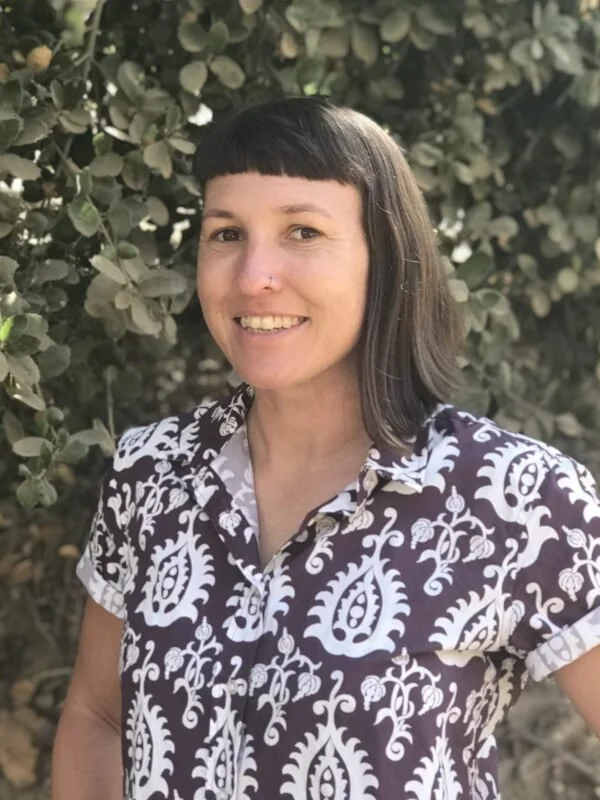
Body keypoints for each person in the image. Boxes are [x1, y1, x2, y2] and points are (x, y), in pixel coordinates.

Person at [52, 96, 600, 800]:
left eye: (303, 231)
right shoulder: (149, 474)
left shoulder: (515, 496)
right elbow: (98, 717)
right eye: (226, 234)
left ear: (386, 259)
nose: (253, 275)